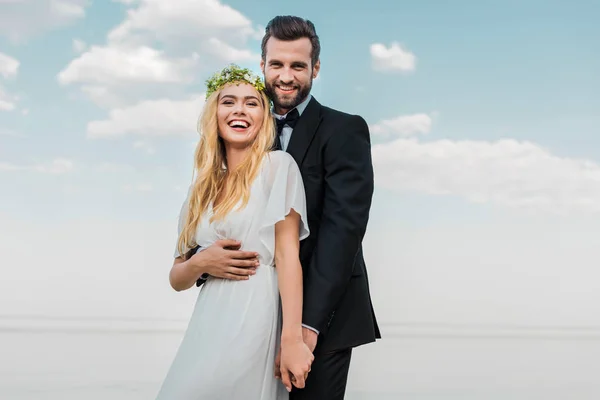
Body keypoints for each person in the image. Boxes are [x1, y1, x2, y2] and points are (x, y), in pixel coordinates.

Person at [194, 15, 381, 399]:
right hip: (247, 316)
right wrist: (203, 261)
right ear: (262, 65)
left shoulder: (344, 130)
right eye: (276, 64)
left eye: (298, 66)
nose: (286, 75)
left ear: (315, 68)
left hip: (322, 317)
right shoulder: (240, 129)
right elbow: (224, 211)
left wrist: (306, 331)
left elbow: (342, 232)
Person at [155, 64, 314, 399]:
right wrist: (201, 263)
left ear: (264, 116)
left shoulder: (277, 168)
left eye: (251, 102)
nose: (240, 110)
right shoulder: (201, 189)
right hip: (207, 321)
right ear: (214, 113)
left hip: (256, 312)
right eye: (229, 102)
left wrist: (292, 340)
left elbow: (288, 257)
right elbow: (177, 277)